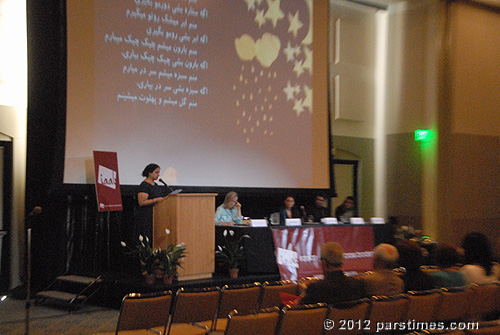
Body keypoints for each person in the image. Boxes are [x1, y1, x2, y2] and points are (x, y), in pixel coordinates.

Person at [300, 242, 365, 305]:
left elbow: (302, 312)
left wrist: (303, 293)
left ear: (325, 263)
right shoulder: (357, 285)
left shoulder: (316, 289)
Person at [136, 163, 169, 238]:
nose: (158, 174)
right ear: (150, 173)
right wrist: (156, 200)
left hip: (156, 215)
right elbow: (141, 202)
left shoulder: (155, 185)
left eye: (159, 172)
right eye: (156, 172)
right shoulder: (144, 186)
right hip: (147, 216)